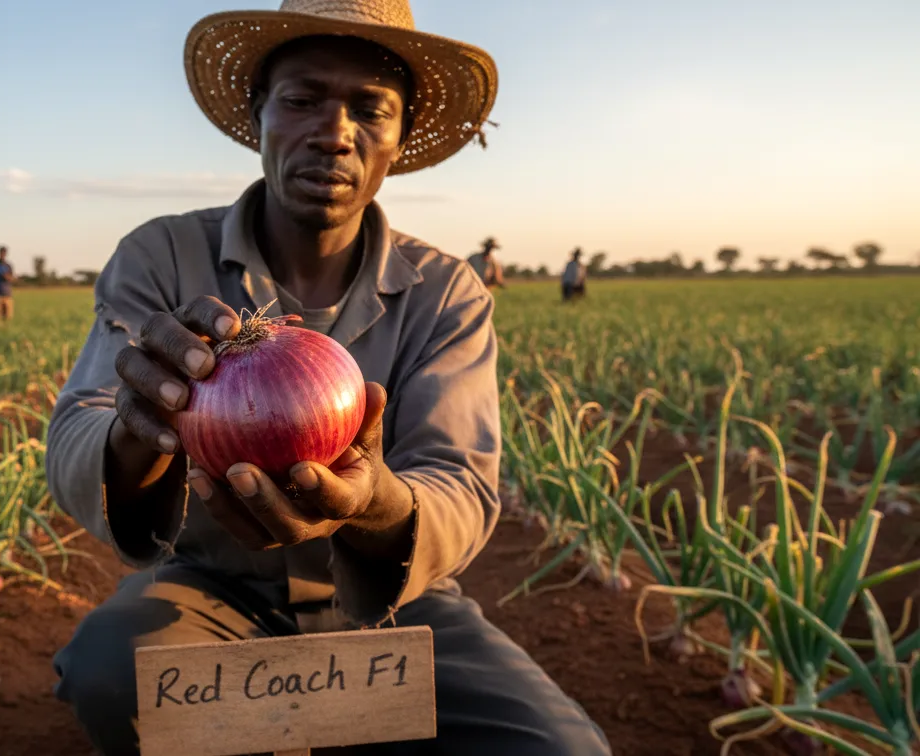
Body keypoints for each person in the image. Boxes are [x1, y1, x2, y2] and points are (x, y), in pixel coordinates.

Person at [44, 1, 610, 754]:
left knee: (559, 749)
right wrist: (139, 426)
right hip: (213, 586)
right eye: (304, 99)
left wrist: (374, 505)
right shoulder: (160, 254)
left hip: (391, 602)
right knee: (116, 675)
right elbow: (80, 421)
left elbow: (459, 479)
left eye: (370, 109)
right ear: (260, 117)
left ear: (399, 138)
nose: (335, 133)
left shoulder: (447, 290)